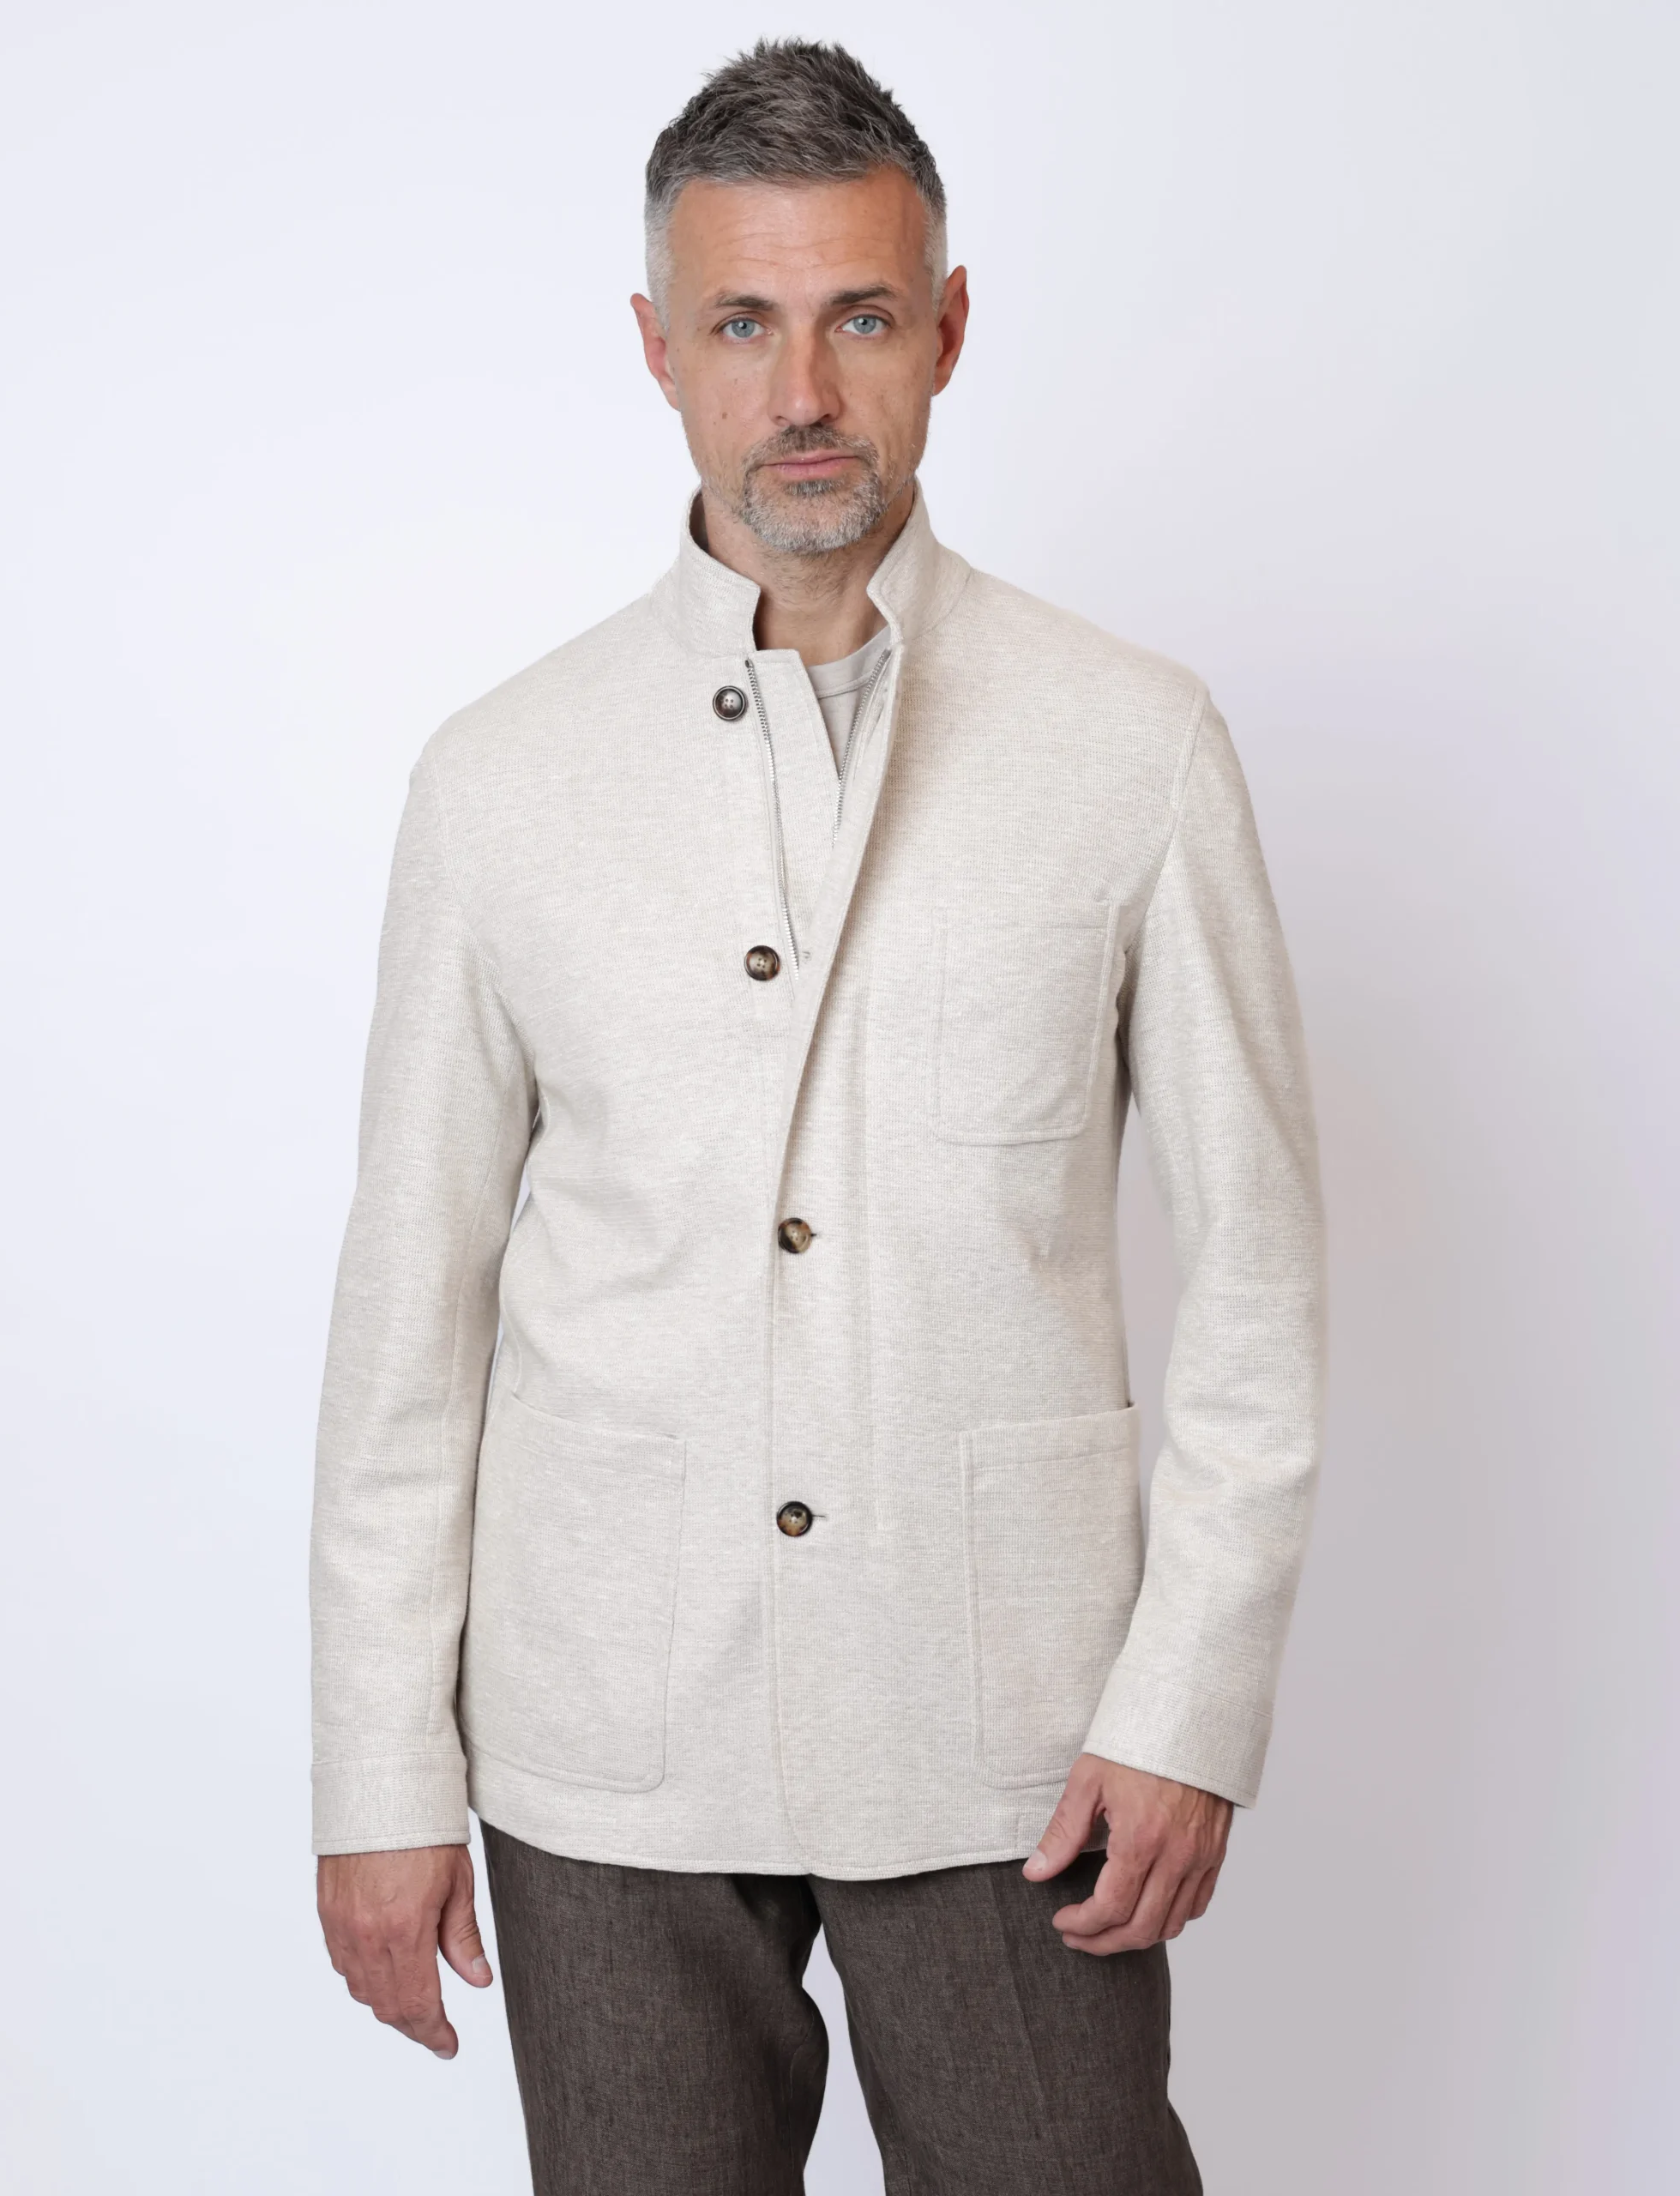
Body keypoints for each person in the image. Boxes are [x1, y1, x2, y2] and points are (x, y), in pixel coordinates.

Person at [310, 38, 1324, 2196]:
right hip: (607, 1742)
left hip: (1014, 1731)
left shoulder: (1130, 744)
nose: (802, 392)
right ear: (655, 349)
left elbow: (1259, 1277)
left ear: (945, 330)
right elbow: (411, 1318)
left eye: (859, 317)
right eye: (742, 324)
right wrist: (377, 1767)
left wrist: (1190, 1701)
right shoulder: (499, 781)